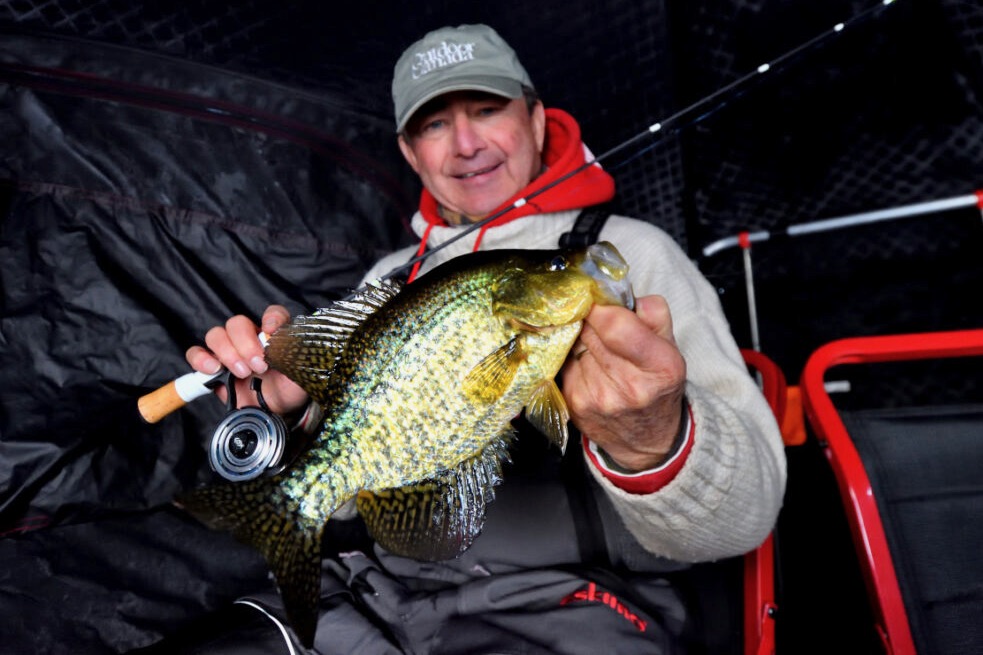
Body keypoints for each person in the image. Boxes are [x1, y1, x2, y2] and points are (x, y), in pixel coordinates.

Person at [166, 23, 786, 655]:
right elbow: (351, 505)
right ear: (410, 153)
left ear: (538, 121)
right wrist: (283, 421)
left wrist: (657, 441)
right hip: (388, 594)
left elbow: (748, 519)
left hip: (578, 607)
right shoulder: (391, 279)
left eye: (487, 110)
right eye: (434, 125)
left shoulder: (631, 254)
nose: (465, 144)